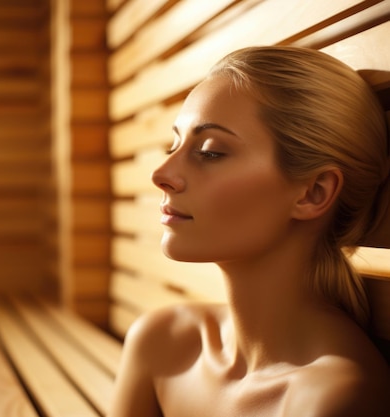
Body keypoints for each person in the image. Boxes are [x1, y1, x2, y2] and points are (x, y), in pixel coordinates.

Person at [108, 46, 390, 417]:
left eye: (209, 151)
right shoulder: (163, 342)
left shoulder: (331, 398)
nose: (161, 174)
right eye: (174, 144)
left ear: (313, 192)